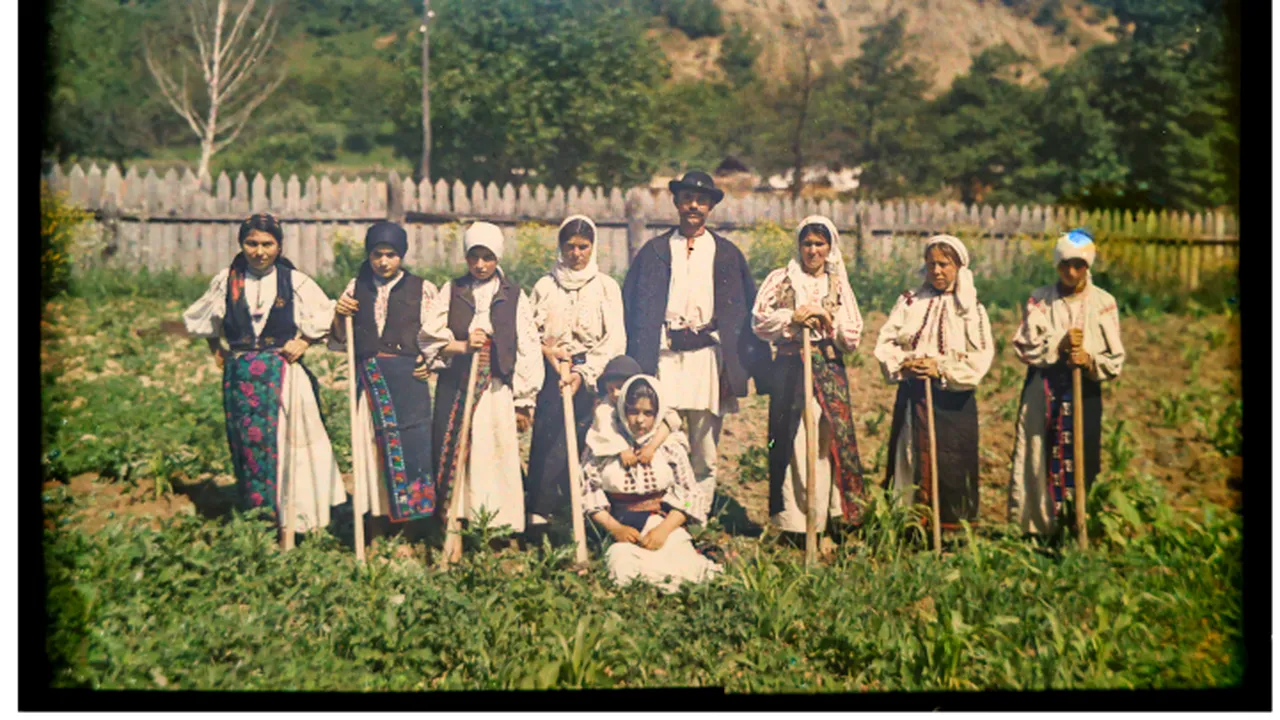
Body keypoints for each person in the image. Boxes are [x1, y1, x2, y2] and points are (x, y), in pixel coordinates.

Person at [183, 212, 347, 535]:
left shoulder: (293, 282)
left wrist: (303, 341)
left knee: (289, 447)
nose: (259, 251)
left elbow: (326, 315)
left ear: (279, 246)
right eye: (252, 243)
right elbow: (202, 318)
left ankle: (296, 523)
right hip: (242, 380)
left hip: (283, 375)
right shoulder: (226, 281)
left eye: (267, 244)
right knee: (248, 447)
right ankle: (260, 521)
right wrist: (217, 350)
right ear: (242, 244)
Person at [620, 170, 770, 505]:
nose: (693, 206)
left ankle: (696, 513)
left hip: (706, 358)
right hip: (664, 357)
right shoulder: (655, 251)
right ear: (675, 202)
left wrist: (738, 368)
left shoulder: (726, 254)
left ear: (710, 207)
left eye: (701, 201)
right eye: (687, 198)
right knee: (660, 437)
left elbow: (744, 313)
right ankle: (657, 509)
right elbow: (631, 308)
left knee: (704, 447)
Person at [420, 221, 544, 537]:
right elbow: (430, 337)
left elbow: (528, 347)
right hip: (458, 387)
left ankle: (498, 528)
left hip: (496, 389)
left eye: (487, 257)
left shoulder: (514, 295)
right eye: (473, 257)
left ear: (497, 257)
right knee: (458, 450)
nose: (480, 265)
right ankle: (455, 522)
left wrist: (524, 401)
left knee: (494, 453)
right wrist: (462, 345)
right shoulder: (453, 290)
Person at [751, 216, 868, 536]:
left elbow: (853, 335)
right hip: (789, 368)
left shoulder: (838, 283)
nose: (813, 251)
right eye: (807, 244)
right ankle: (795, 523)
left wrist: (825, 319)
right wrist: (792, 316)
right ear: (798, 246)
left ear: (830, 247)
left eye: (819, 244)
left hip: (827, 369)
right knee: (792, 441)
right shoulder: (781, 279)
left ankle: (828, 519)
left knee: (824, 443)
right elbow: (759, 321)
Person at [1008, 229, 1127, 535]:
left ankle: (1078, 527)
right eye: (1065, 265)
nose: (1071, 272)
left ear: (1088, 266)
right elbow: (1026, 344)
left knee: (1081, 454)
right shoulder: (1040, 299)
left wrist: (1088, 359)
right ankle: (1039, 528)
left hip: (1083, 391)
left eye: (1078, 265)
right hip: (1043, 389)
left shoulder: (1103, 302)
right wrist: (1058, 347)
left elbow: (1114, 357)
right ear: (1056, 265)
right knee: (1038, 452)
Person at [874, 234, 994, 531]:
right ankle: (910, 526)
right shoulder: (910, 301)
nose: (937, 271)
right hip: (914, 394)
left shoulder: (971, 309)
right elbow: (886, 342)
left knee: (951, 461)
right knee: (910, 455)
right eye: (931, 265)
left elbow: (980, 358)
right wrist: (906, 362)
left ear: (958, 267)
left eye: (944, 264)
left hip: (953, 400)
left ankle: (951, 531)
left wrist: (940, 368)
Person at [329, 222, 439, 544]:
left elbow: (435, 337)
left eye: (392, 255)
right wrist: (339, 314)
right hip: (372, 384)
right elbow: (338, 339)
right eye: (377, 254)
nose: (384, 262)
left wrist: (428, 363)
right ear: (369, 254)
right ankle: (376, 526)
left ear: (402, 256)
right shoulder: (355, 287)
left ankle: (408, 530)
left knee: (413, 452)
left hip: (409, 385)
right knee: (373, 451)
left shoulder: (423, 288)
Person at [524, 215, 626, 527]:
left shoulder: (606, 287)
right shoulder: (545, 285)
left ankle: (579, 511)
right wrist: (548, 353)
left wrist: (584, 374)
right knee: (548, 437)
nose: (576, 254)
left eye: (583, 247)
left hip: (591, 374)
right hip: (551, 371)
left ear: (593, 248)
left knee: (586, 438)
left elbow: (614, 339)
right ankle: (540, 511)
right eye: (570, 247)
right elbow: (526, 332)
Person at [580, 375, 720, 593]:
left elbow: (690, 496)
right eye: (633, 411)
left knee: (684, 559)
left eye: (648, 413)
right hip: (622, 529)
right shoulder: (603, 445)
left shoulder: (670, 446)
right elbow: (588, 494)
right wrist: (616, 529)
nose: (640, 420)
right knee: (621, 564)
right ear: (622, 410)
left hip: (662, 524)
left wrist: (663, 530)